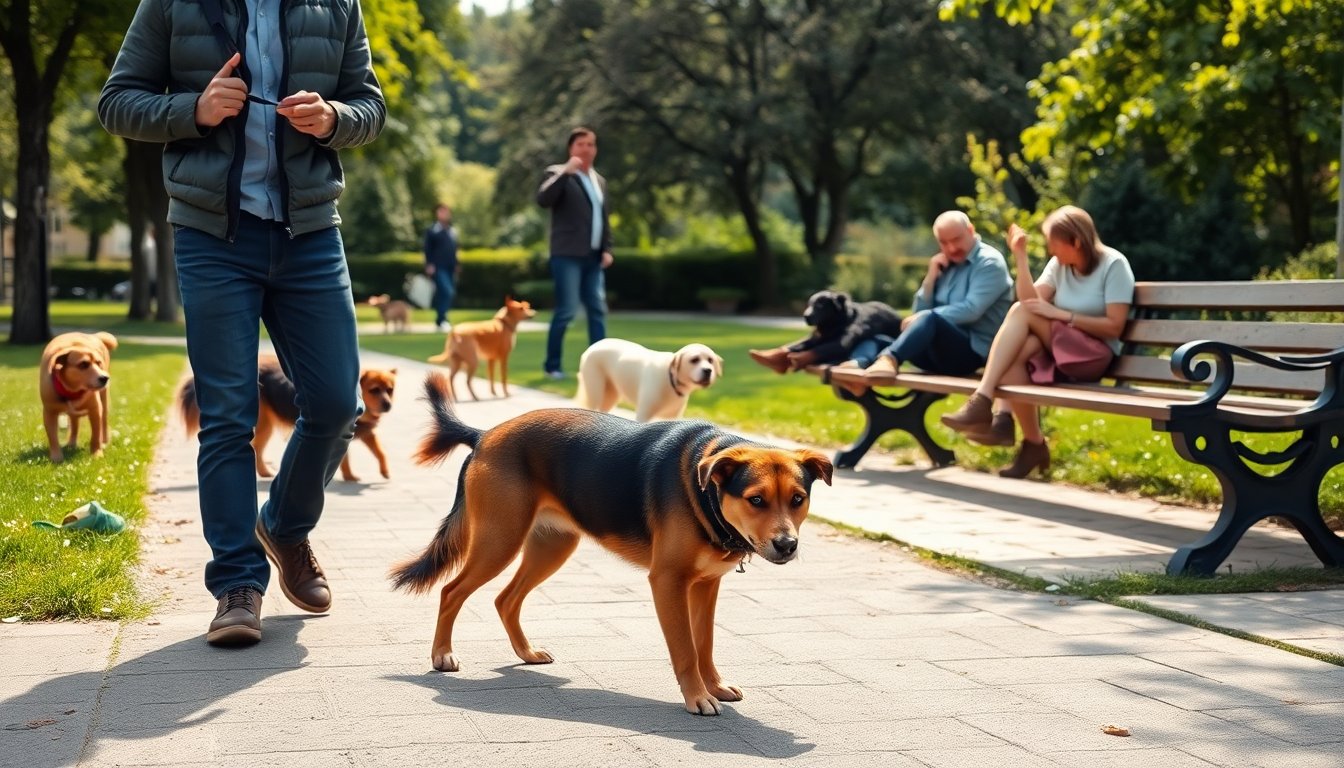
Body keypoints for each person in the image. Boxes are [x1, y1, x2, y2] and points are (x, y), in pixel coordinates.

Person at [99, 0, 386, 646]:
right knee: (229, 415)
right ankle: (237, 583)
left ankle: (284, 524)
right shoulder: (173, 4)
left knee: (340, 403)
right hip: (212, 236)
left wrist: (336, 118)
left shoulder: (337, 5)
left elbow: (371, 107)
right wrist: (192, 111)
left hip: (310, 233)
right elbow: (117, 102)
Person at [940, 205, 1135, 478]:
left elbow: (1114, 327)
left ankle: (987, 403)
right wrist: (1019, 257)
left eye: (1052, 244)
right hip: (1060, 350)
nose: (1050, 251)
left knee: (1019, 314)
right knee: (1012, 362)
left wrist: (1062, 315)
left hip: (1093, 356)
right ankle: (1031, 442)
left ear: (1075, 242)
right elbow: (1032, 302)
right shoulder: (1059, 265)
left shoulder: (1114, 265)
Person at [836, 212, 1014, 432]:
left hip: (970, 353)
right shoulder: (945, 265)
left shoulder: (989, 262)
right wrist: (930, 278)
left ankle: (889, 359)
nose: (950, 248)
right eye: (943, 242)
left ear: (970, 231)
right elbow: (917, 316)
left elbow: (971, 310)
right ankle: (857, 370)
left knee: (930, 318)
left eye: (956, 239)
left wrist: (925, 317)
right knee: (876, 337)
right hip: (938, 353)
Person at [537, 127, 613, 379]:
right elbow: (543, 199)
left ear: (596, 149)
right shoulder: (557, 173)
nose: (586, 148)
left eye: (591, 144)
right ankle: (552, 366)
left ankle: (598, 368)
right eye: (581, 144)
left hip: (593, 257)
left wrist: (606, 248)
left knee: (597, 310)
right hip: (567, 255)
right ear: (571, 148)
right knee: (567, 310)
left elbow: (603, 218)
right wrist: (565, 173)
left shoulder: (599, 180)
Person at [424, 203, 459, 332]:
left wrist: (456, 264)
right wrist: (429, 264)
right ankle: (443, 319)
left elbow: (455, 249)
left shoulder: (452, 230)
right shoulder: (432, 230)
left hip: (450, 267)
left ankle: (440, 319)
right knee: (447, 291)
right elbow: (427, 249)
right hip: (438, 267)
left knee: (445, 293)